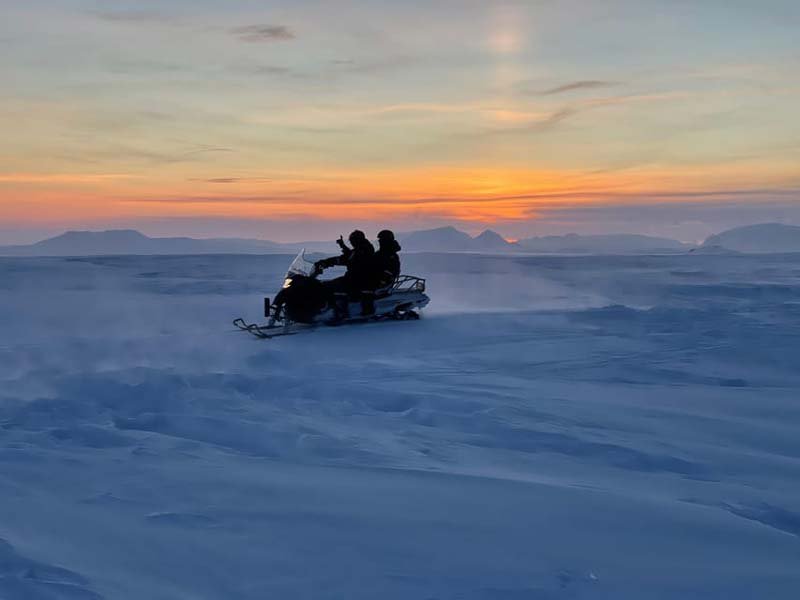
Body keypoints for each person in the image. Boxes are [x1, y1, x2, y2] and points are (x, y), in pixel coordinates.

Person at [314, 230, 375, 316]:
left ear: (357, 240)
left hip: (360, 279)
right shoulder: (362, 248)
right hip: (355, 277)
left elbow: (348, 258)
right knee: (327, 284)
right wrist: (326, 262)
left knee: (335, 287)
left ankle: (341, 312)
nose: (352, 243)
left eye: (352, 241)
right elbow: (350, 255)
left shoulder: (364, 250)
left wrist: (328, 262)